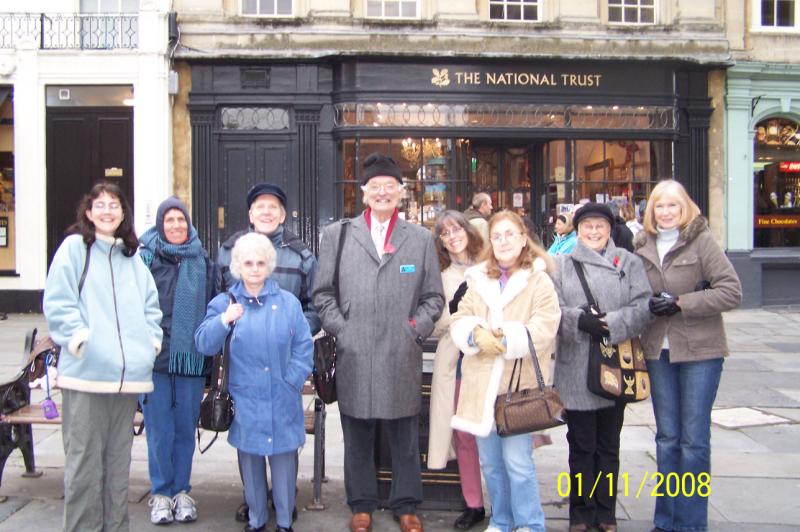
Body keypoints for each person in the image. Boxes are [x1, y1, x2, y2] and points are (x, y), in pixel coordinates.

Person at [313, 152, 444, 532]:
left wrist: (414, 329)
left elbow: (434, 297)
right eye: (376, 187)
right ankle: (362, 504)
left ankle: (406, 504)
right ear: (364, 193)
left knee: (404, 433)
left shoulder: (419, 239)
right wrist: (343, 329)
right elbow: (323, 293)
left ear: (401, 193)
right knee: (357, 432)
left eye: (391, 186)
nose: (383, 192)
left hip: (400, 351)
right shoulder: (339, 235)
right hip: (354, 352)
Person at [43, 182, 163, 532]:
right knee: (83, 468)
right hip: (87, 376)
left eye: (114, 204)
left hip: (126, 382)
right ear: (88, 211)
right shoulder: (74, 249)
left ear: (123, 213)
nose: (108, 210)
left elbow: (151, 310)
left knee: (116, 467)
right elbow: (58, 302)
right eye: (100, 204)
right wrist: (81, 341)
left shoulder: (134, 259)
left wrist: (149, 346)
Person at [634, 180, 742, 532]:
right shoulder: (641, 245)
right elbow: (633, 293)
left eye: (672, 206)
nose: (665, 213)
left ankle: (691, 524)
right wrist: (645, 306)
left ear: (685, 209)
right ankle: (666, 521)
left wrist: (682, 303)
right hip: (658, 351)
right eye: (659, 206)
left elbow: (731, 291)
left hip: (700, 351)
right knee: (667, 438)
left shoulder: (702, 242)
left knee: (693, 440)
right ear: (651, 211)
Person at [449, 210, 561, 532]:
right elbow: (460, 317)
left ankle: (530, 524)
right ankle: (501, 520)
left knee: (518, 463)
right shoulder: (478, 278)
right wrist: (474, 334)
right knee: (492, 464)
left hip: (518, 384)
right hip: (482, 386)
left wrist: (508, 339)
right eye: (497, 236)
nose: (503, 241)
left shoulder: (538, 280)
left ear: (524, 238)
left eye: (510, 234)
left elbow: (545, 326)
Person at [195, 232, 313, 532]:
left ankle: (285, 522)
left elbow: (303, 345)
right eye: (248, 262)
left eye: (261, 262)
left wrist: (293, 380)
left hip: (281, 395)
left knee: (284, 463)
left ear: (270, 265)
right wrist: (224, 321)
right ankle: (257, 519)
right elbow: (203, 343)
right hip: (244, 397)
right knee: (250, 462)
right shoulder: (225, 302)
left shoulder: (287, 302)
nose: (255, 268)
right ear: (237, 266)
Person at [218, 183, 320, 523]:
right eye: (259, 206)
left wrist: (290, 333)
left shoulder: (301, 253)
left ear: (282, 214)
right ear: (250, 214)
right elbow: (218, 299)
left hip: (283, 363)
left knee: (283, 443)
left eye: (272, 207)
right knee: (248, 440)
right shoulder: (230, 248)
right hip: (245, 364)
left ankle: (284, 501)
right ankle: (254, 503)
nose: (266, 211)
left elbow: (314, 303)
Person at [551, 202, 652, 532]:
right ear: (577, 230)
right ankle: (580, 513)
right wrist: (579, 319)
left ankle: (605, 512)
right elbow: (552, 308)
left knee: (608, 445)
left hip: (615, 365)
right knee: (581, 446)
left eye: (600, 226)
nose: (593, 231)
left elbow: (643, 306)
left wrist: (611, 323)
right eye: (587, 226)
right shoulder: (561, 265)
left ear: (610, 229)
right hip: (576, 367)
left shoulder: (629, 263)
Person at [138, 197, 219, 525]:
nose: (175, 226)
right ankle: (160, 492)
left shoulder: (202, 260)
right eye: (169, 220)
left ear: (189, 224)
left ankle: (182, 490)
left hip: (190, 360)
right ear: (160, 223)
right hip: (154, 359)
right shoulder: (142, 259)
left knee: (185, 428)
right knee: (159, 430)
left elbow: (213, 307)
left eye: (180, 220)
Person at [427, 211, 487, 530]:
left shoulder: (491, 265)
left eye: (456, 229)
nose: (452, 236)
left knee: (495, 432)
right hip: (459, 363)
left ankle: (505, 502)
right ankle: (473, 503)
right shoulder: (441, 275)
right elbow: (437, 326)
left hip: (492, 361)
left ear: (468, 230)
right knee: (464, 434)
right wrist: (455, 313)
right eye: (445, 233)